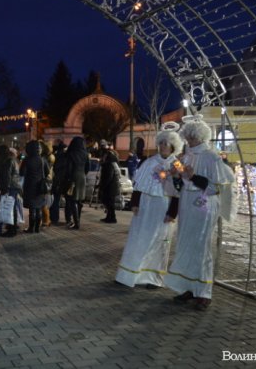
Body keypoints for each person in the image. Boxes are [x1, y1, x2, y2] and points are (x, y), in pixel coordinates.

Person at [164, 115, 236, 311]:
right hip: (188, 202)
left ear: (200, 137)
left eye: (191, 138)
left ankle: (204, 292)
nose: (188, 141)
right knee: (186, 244)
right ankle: (189, 286)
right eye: (187, 138)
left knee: (202, 247)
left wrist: (193, 176)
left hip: (204, 204)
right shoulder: (187, 156)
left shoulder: (212, 157)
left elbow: (216, 187)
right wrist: (176, 174)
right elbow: (180, 183)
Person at [115, 124, 183, 289]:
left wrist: (172, 213)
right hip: (146, 205)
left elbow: (180, 192)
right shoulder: (149, 162)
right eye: (161, 143)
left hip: (163, 207)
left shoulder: (178, 165)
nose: (163, 146)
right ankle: (131, 274)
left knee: (159, 241)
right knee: (139, 238)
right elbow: (138, 185)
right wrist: (135, 203)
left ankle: (153, 278)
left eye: (166, 143)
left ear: (173, 146)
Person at [19, 140, 49, 234]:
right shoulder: (42, 159)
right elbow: (47, 171)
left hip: (30, 186)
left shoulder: (27, 160)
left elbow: (22, 173)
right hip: (40, 186)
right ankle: (37, 228)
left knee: (32, 208)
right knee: (39, 207)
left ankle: (31, 228)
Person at [63, 137, 89, 230]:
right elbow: (87, 167)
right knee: (79, 200)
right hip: (82, 177)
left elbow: (69, 168)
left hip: (73, 177)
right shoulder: (85, 153)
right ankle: (78, 221)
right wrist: (83, 174)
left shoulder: (71, 154)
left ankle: (76, 223)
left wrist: (69, 178)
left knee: (72, 200)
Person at [0, 144, 22, 237]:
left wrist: (5, 189)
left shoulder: (8, 161)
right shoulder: (13, 159)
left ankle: (12, 230)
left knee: (10, 208)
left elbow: (7, 176)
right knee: (12, 207)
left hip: (10, 187)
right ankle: (12, 228)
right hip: (14, 186)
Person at [98, 140, 121, 224]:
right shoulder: (110, 159)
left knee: (110, 202)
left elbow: (109, 175)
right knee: (108, 202)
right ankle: (109, 217)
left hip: (110, 185)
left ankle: (112, 218)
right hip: (111, 184)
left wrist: (103, 185)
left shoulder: (109, 162)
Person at [49, 140, 67, 225]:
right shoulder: (64, 157)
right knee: (56, 200)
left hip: (54, 180)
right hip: (61, 180)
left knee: (54, 199)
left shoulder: (55, 156)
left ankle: (52, 217)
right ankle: (55, 219)